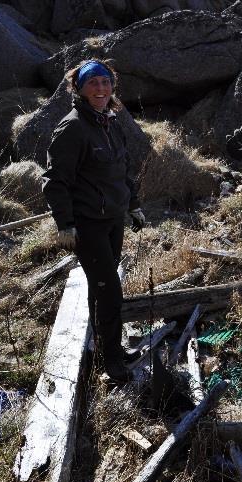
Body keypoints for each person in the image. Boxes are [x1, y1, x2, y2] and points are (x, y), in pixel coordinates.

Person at [42, 59, 145, 383]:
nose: (100, 89)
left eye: (105, 82)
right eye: (93, 83)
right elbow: (55, 180)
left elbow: (121, 170)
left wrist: (134, 205)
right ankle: (111, 361)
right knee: (110, 291)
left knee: (102, 287)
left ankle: (103, 346)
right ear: (79, 89)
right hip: (88, 224)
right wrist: (65, 225)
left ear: (112, 86)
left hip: (114, 218)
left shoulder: (110, 121)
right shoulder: (73, 127)